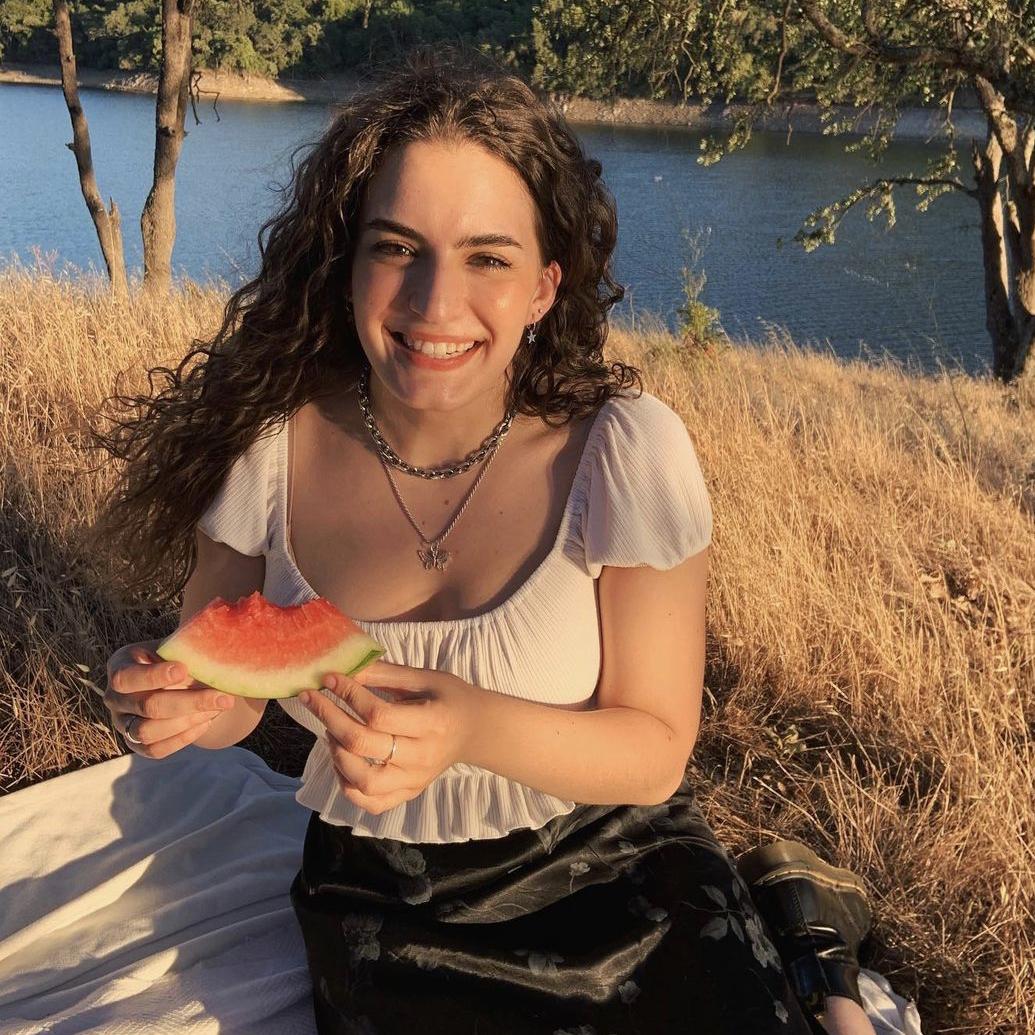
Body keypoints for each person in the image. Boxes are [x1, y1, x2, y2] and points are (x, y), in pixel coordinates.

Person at [93, 46, 879, 1035]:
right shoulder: (268, 449)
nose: (434, 304)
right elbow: (229, 696)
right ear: (346, 263)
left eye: (488, 258)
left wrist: (471, 726)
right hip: (380, 903)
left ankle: (817, 953)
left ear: (546, 286)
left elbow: (654, 752)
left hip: (619, 879)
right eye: (396, 248)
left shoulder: (625, 454)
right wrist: (173, 702)